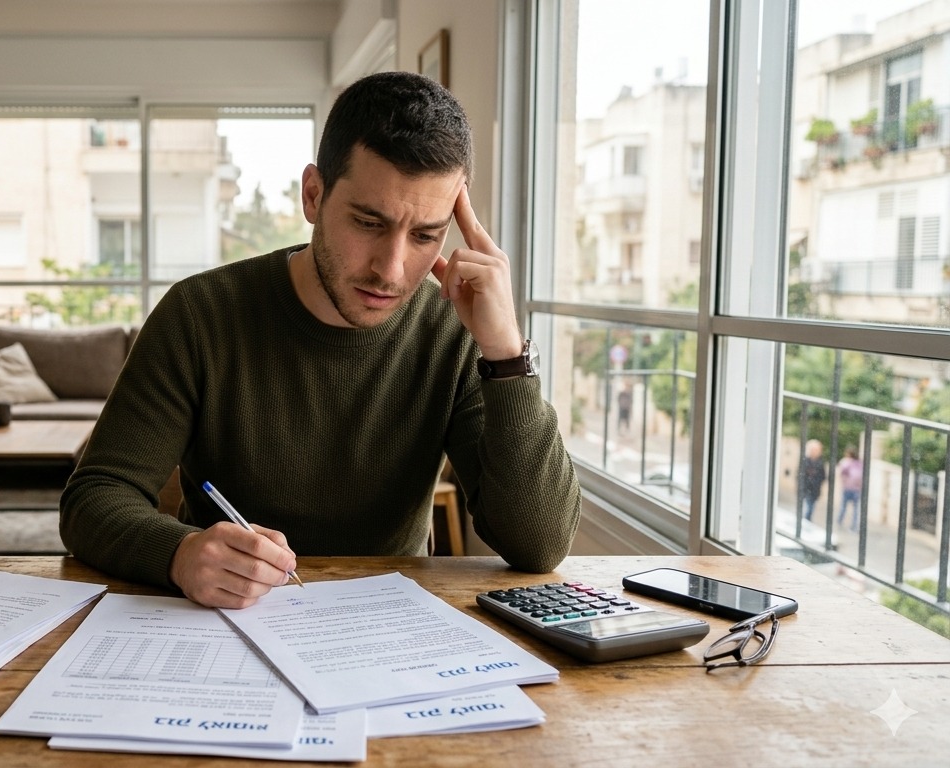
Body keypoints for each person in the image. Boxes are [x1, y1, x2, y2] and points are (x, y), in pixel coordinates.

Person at [60, 71, 581, 608]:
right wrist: (180, 552)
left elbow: (539, 546)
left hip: (394, 628)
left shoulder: (454, 329)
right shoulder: (200, 315)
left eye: (426, 235)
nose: (392, 269)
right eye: (368, 223)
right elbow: (94, 499)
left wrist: (507, 354)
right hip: (225, 627)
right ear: (313, 195)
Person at [798, 439, 826, 521]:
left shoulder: (820, 462)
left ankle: (806, 521)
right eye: (813, 449)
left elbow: (823, 476)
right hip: (805, 488)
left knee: (810, 508)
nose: (815, 452)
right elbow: (800, 475)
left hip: (814, 489)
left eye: (817, 450)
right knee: (805, 507)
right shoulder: (805, 461)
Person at [836, 447, 863, 529]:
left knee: (843, 506)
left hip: (847, 487)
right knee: (856, 509)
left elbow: (841, 472)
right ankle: (854, 525)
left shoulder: (845, 462)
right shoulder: (859, 463)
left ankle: (839, 521)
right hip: (857, 489)